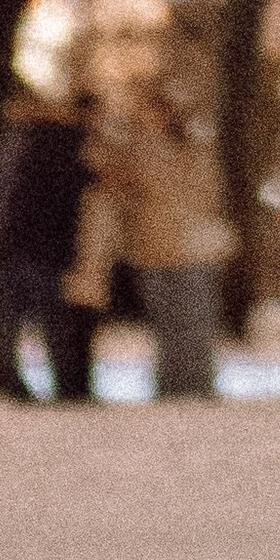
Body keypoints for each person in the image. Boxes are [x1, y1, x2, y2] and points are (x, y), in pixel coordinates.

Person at [98, 84, 229, 398]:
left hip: (191, 248)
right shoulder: (134, 149)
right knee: (166, 324)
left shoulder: (193, 147)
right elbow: (115, 182)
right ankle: (172, 386)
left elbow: (207, 192)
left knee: (196, 322)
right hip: (153, 248)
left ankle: (198, 385)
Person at [0, 85, 99, 401]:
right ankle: (61, 384)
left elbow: (1, 199)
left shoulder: (17, 144)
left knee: (16, 318)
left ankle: (18, 382)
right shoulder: (65, 144)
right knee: (50, 318)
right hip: (44, 247)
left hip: (18, 244)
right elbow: (70, 197)